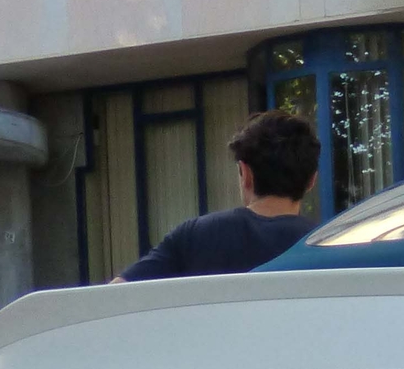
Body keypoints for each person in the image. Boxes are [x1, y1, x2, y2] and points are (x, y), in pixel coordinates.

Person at [116, 112, 319, 280]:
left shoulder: (192, 237)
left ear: (245, 174)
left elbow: (112, 297)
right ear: (312, 180)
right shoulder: (328, 246)